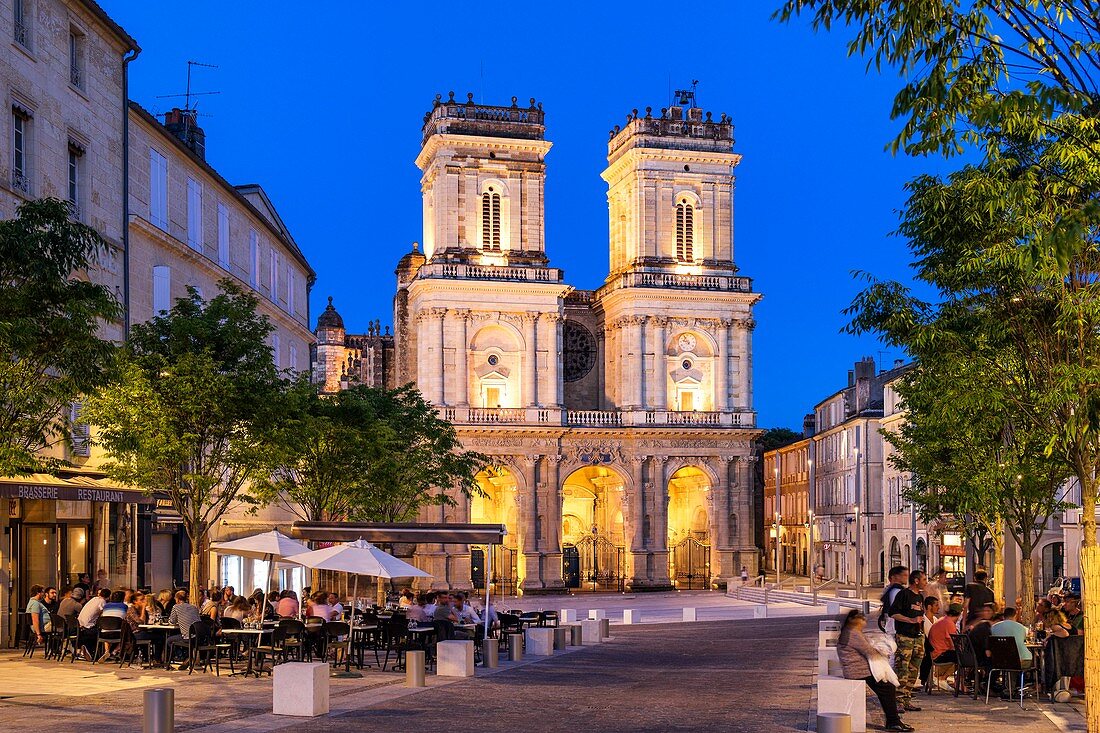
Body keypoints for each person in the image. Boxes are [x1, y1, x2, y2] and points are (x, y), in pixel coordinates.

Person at [836, 609, 912, 732]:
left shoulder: (850, 632)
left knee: (888, 687)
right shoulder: (852, 633)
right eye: (861, 619)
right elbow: (869, 651)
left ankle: (894, 720)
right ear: (854, 620)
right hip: (858, 671)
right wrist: (883, 651)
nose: (864, 622)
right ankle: (893, 722)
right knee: (887, 688)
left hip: (860, 669)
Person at [889, 568, 927, 711]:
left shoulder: (920, 597)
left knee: (913, 669)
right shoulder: (904, 595)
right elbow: (893, 613)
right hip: (905, 637)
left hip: (918, 637)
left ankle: (907, 698)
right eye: (923, 579)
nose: (925, 582)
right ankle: (897, 700)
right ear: (916, 581)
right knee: (902, 668)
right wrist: (909, 620)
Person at [164, 590, 202, 666]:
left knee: (169, 640)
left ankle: (181, 656)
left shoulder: (176, 607)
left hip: (188, 637)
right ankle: (187, 656)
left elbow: (172, 621)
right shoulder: (194, 607)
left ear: (177, 599)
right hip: (198, 636)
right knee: (181, 635)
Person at [879, 565, 910, 634]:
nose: (907, 578)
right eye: (904, 575)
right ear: (896, 576)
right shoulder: (897, 591)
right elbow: (897, 611)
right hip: (896, 628)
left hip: (894, 627)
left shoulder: (894, 589)